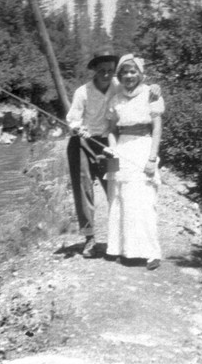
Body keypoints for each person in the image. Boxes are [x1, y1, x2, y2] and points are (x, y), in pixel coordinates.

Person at [66, 46, 161, 258]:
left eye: (110, 70)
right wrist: (77, 128)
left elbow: (141, 90)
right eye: (102, 70)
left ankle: (120, 240)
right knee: (84, 188)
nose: (107, 74)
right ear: (95, 71)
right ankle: (90, 238)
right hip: (82, 144)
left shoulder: (119, 86)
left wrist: (155, 88)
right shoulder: (82, 92)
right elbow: (72, 119)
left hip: (111, 144)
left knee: (115, 186)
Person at [105, 53, 165, 270]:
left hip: (143, 147)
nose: (129, 76)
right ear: (119, 76)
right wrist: (112, 149)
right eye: (125, 72)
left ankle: (151, 253)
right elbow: (111, 130)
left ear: (140, 74)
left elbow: (157, 129)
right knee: (118, 198)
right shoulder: (115, 99)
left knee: (144, 201)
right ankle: (123, 249)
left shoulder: (152, 94)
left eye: (133, 72)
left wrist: (152, 158)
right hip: (120, 149)